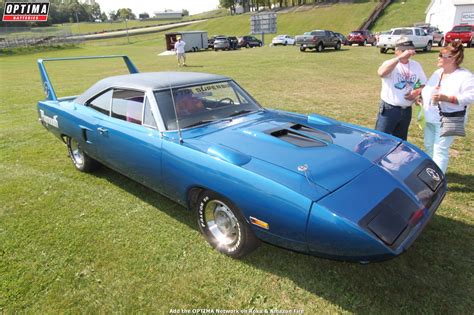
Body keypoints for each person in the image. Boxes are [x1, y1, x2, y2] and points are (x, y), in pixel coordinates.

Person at [421, 41, 474, 173]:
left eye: (442, 55)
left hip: (448, 119)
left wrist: (447, 98)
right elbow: (428, 90)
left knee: (440, 149)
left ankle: (436, 181)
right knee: (429, 146)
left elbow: (470, 97)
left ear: (453, 58)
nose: (438, 58)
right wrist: (421, 97)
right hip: (430, 117)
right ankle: (429, 173)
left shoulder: (465, 76)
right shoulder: (438, 72)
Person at [375, 37, 427, 140]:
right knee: (380, 140)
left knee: (400, 143)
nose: (407, 53)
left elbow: (421, 83)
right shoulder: (390, 63)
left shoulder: (416, 65)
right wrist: (399, 58)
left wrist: (416, 92)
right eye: (404, 50)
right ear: (396, 51)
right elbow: (381, 73)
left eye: (409, 50)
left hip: (406, 111)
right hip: (389, 109)